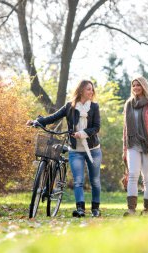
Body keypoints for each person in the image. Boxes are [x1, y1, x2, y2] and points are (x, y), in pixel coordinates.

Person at [26, 80, 102, 217]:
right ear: (80, 91)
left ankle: (95, 209)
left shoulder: (94, 107)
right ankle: (80, 209)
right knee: (78, 181)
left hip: (93, 150)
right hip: (75, 150)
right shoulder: (69, 107)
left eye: (92, 89)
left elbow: (96, 127)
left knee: (95, 180)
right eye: (88, 89)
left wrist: (83, 133)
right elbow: (53, 118)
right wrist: (37, 121)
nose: (91, 92)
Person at [122, 76, 148, 216]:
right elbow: (125, 129)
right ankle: (131, 209)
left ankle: (147, 210)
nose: (136, 88)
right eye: (133, 85)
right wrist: (124, 149)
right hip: (132, 144)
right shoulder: (129, 104)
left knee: (147, 177)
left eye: (138, 85)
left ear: (144, 86)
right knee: (133, 175)